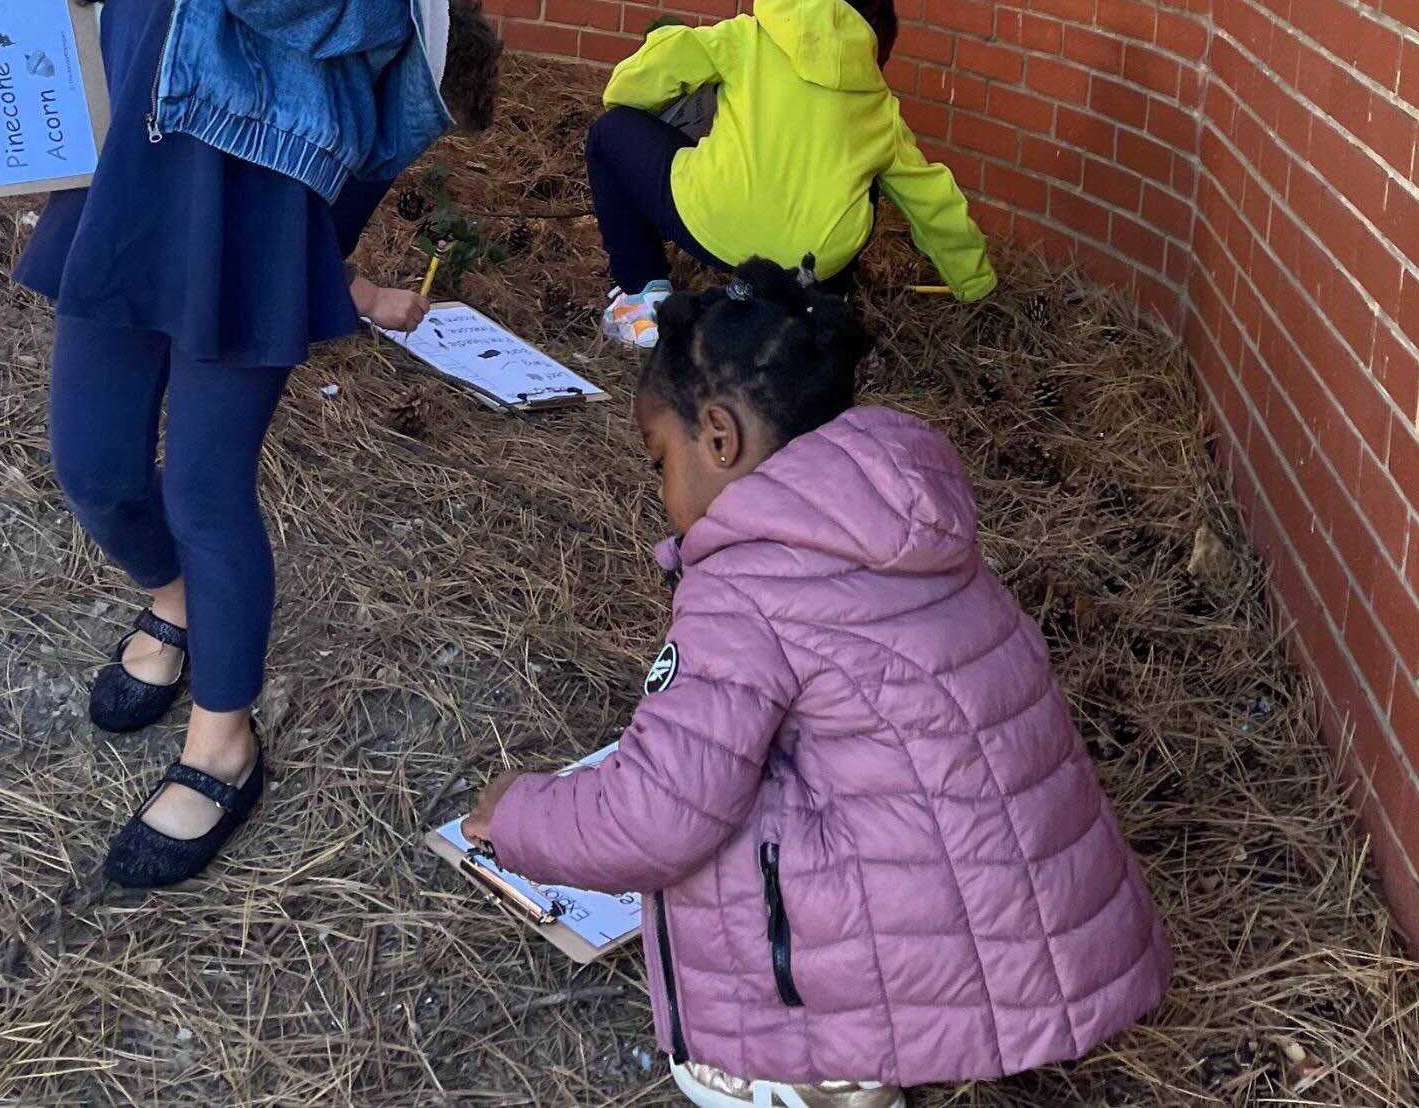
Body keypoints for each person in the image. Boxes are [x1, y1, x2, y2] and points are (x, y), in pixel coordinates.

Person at [0, 0, 452, 891]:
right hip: (128, 193)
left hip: (240, 219)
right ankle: (174, 606)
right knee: (97, 469)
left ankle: (225, 741)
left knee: (203, 489)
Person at [463, 262, 1171, 1108]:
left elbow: (654, 817)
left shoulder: (744, 589)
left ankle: (817, 1071)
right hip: (1031, 930)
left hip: (911, 958)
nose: (661, 493)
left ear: (719, 438)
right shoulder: (912, 522)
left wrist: (518, 816)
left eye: (662, 461)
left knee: (711, 817)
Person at [587, 0, 994, 347]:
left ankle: (644, 299)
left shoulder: (746, 36)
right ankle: (815, 307)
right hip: (812, 261)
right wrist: (973, 282)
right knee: (865, 184)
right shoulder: (880, 105)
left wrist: (627, 95)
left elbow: (665, 60)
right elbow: (932, 200)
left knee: (610, 133)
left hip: (713, 224)